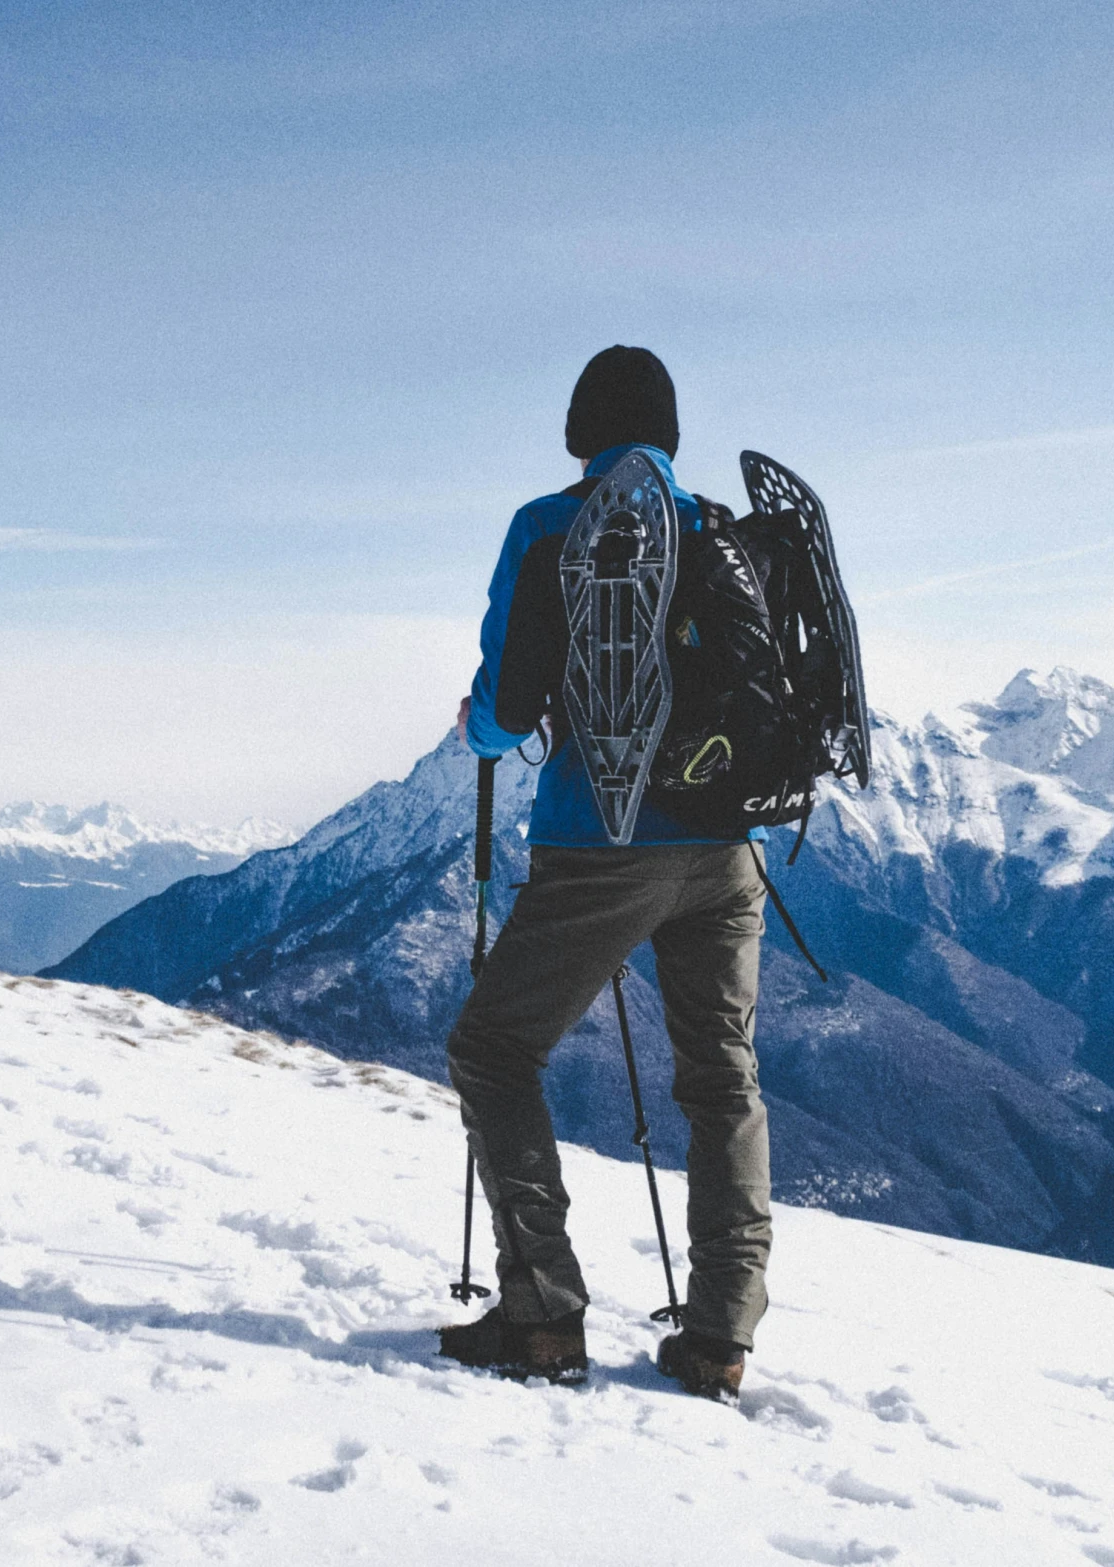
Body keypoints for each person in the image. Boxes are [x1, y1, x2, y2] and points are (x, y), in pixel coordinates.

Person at [438, 345, 770, 1400]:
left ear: (581, 428)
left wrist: (476, 722)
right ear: (669, 434)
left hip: (599, 845)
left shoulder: (549, 526)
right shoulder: (720, 528)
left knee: (494, 1048)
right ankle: (720, 1333)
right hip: (726, 850)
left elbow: (505, 706)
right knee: (721, 1079)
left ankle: (542, 1309)